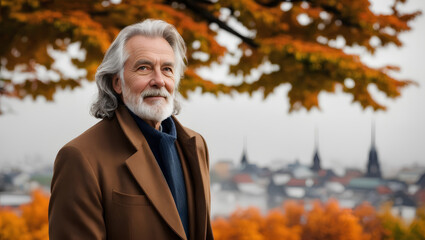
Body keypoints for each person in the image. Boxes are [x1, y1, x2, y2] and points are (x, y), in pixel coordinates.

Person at [48, 19, 213, 240]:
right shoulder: (80, 158)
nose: (159, 80)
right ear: (117, 82)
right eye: (144, 68)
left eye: (167, 69)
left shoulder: (196, 145)